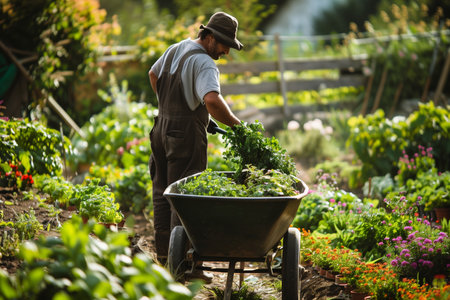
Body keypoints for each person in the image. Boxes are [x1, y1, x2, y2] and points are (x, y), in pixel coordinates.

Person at [147, 12, 243, 281]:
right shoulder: (205, 64)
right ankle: (185, 269)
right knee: (186, 199)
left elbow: (153, 74)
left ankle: (165, 261)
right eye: (224, 44)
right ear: (209, 37)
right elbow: (211, 100)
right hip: (185, 136)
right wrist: (237, 126)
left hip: (160, 129)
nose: (225, 51)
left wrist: (170, 107)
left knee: (162, 193)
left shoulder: (176, 47)